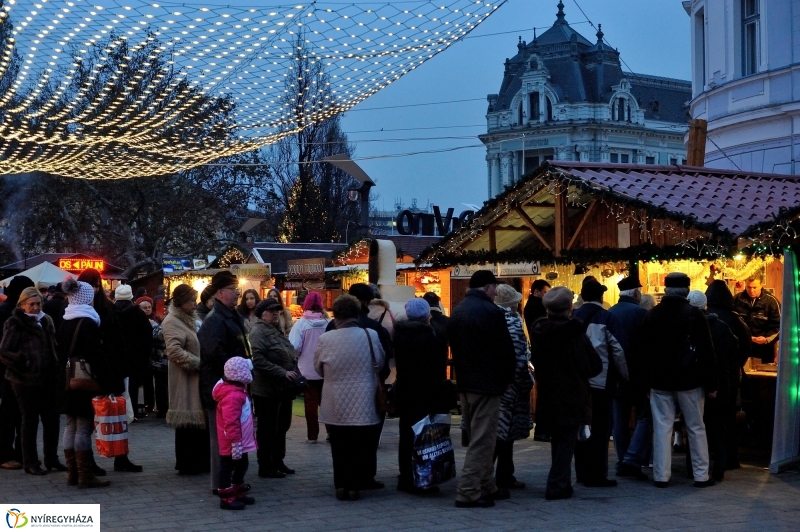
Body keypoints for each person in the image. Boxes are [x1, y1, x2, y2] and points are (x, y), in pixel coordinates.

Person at [642, 272, 717, 488]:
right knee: (696, 427)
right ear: (687, 289)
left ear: (665, 289)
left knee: (662, 427)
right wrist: (712, 384)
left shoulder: (653, 314)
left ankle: (661, 475)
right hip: (689, 380)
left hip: (659, 380)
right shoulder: (695, 315)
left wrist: (645, 382)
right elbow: (706, 352)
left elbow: (643, 352)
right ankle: (701, 475)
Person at [448, 270, 516, 508]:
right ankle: (467, 491)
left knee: (480, 435)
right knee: (483, 440)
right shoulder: (490, 311)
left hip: (466, 382)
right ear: (487, 288)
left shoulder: (459, 310)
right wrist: (508, 377)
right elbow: (505, 349)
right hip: (487, 383)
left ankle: (487, 485)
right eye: (494, 287)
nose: (495, 291)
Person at [530, 287, 603, 500]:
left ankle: (562, 482)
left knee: (558, 439)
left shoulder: (539, 331)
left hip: (548, 392)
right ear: (570, 308)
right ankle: (557, 484)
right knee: (566, 441)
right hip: (572, 393)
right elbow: (593, 366)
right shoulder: (575, 334)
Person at [314, 295, 385, 502]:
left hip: (334, 399)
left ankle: (341, 484)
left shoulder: (326, 339)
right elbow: (379, 363)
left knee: (339, 445)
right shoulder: (370, 335)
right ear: (357, 314)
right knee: (360, 445)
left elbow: (318, 368)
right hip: (364, 399)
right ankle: (355, 485)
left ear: (335, 315)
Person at [325, 283, 393, 487]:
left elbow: (319, 365)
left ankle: (344, 482)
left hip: (336, 392)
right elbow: (383, 360)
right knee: (367, 437)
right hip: (367, 390)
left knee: (340, 440)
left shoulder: (330, 328)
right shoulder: (373, 329)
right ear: (366, 302)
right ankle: (364, 476)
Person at [58, 278, 123, 488]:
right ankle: (85, 475)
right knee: (84, 427)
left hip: (68, 380)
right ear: (86, 299)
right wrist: (110, 383)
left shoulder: (66, 319)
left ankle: (72, 473)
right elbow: (97, 356)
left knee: (70, 425)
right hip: (85, 381)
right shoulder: (87, 322)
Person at [0, 287, 65, 475]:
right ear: (22, 305)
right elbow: (4, 351)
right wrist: (24, 361)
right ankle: (30, 462)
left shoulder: (46, 320)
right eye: (31, 304)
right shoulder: (15, 322)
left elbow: (53, 345)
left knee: (52, 420)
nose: (35, 307)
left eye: (38, 304)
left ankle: (51, 458)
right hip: (24, 381)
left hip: (48, 378)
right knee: (29, 421)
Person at [199, 270, 252, 495]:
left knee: (236, 434)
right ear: (220, 293)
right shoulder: (215, 320)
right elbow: (216, 354)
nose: (237, 293)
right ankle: (219, 484)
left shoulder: (231, 315)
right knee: (221, 438)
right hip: (221, 388)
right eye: (233, 290)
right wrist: (237, 371)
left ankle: (233, 481)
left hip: (235, 385)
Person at [572, 279, 628, 488]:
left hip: (577, 382)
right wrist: (625, 377)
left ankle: (581, 472)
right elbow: (619, 351)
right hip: (601, 381)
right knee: (601, 429)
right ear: (601, 296)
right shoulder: (607, 318)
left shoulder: (573, 316)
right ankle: (597, 474)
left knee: (581, 427)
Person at [393, 298, 449, 495]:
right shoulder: (430, 336)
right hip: (425, 391)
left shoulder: (398, 334)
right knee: (424, 436)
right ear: (427, 315)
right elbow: (436, 368)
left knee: (406, 435)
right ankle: (423, 477)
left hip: (405, 390)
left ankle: (405, 476)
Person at [687, 290, 738, 482]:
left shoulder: (690, 327)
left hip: (695, 384)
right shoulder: (721, 327)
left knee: (695, 426)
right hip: (720, 382)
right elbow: (734, 350)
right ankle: (719, 468)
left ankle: (694, 468)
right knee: (718, 427)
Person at [77, 269, 123, 477]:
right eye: (91, 285)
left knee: (108, 416)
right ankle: (86, 464)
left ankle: (119, 454)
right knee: (87, 421)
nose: (95, 289)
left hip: (105, 367)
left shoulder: (105, 308)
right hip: (90, 372)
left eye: (97, 285)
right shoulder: (83, 312)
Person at [162, 284, 210, 476]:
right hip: (185, 378)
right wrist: (198, 363)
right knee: (187, 422)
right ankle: (187, 463)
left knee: (195, 421)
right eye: (191, 300)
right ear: (181, 302)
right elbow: (174, 351)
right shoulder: (172, 321)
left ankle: (198, 461)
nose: (195, 303)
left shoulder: (189, 319)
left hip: (195, 378)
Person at [608, 276, 651, 481]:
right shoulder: (641, 314)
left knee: (620, 420)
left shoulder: (610, 313)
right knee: (646, 416)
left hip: (615, 376)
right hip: (638, 375)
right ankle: (632, 460)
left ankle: (622, 459)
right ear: (636, 293)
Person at [250, 298, 299, 479]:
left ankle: (278, 460)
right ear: (262, 314)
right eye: (271, 311)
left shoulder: (275, 330)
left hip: (282, 388)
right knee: (268, 428)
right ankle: (266, 464)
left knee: (282, 425)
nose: (275, 313)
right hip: (266, 389)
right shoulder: (258, 332)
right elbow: (258, 359)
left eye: (277, 311)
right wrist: (281, 372)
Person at [706, 279, 751, 470]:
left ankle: (710, 455)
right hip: (729, 375)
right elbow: (746, 346)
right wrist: (736, 365)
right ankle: (730, 457)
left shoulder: (704, 317)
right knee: (728, 417)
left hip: (707, 376)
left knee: (707, 418)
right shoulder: (735, 319)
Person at [492, 284, 534, 490]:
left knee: (493, 435)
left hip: (491, 385)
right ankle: (502, 476)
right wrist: (526, 383)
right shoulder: (512, 321)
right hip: (510, 387)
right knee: (504, 437)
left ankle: (492, 475)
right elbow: (519, 357)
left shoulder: (488, 318)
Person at [113, 284, 151, 473]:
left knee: (119, 403)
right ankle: (132, 415)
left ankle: (118, 452)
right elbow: (147, 338)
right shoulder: (138, 315)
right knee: (131, 395)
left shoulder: (110, 313)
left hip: (116, 366)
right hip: (133, 364)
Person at [213, 357, 257, 510]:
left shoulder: (237, 392)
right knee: (227, 467)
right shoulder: (233, 396)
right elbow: (231, 422)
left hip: (239, 441)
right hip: (233, 442)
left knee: (241, 465)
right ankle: (226, 497)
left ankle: (237, 490)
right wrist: (235, 442)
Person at [0, 276, 34, 471]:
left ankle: (16, 453)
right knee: (11, 413)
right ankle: (5, 454)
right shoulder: (10, 313)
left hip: (11, 371)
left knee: (14, 413)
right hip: (11, 372)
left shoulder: (11, 310)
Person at [288, 292, 330, 442]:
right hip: (326, 369)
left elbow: (294, 347)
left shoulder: (301, 324)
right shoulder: (328, 322)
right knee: (326, 403)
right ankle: (331, 432)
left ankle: (312, 436)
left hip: (307, 370)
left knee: (310, 403)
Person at [733, 277, 780, 363]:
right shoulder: (737, 299)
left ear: (761, 286)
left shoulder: (771, 301)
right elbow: (732, 322)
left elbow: (778, 325)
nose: (751, 290)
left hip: (764, 348)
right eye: (748, 287)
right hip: (742, 346)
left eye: (754, 287)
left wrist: (766, 339)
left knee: (762, 375)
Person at [137, 296, 168, 418]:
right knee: (148, 381)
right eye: (144, 308)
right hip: (147, 355)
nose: (147, 310)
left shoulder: (156, 319)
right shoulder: (141, 320)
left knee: (157, 383)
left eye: (149, 307)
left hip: (157, 357)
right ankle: (149, 405)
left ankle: (153, 405)